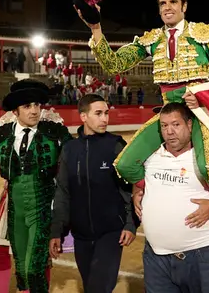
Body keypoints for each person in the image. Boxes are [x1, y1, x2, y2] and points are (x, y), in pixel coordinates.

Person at [76, 0, 209, 195]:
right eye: (162, 3)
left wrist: (204, 98)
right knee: (125, 164)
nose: (168, 7)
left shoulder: (203, 34)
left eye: (173, 2)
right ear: (159, 9)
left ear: (184, 6)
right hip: (168, 111)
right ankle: (160, 195)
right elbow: (115, 64)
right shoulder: (151, 40)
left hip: (200, 112)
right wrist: (96, 29)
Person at [0, 79, 72, 293]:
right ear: (15, 111)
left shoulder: (55, 132)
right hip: (14, 205)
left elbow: (73, 165)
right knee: (22, 268)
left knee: (35, 266)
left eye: (37, 105)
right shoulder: (2, 135)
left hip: (44, 203)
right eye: (27, 106)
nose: (34, 111)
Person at [134, 102, 209, 293]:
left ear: (189, 125)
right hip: (156, 257)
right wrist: (136, 191)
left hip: (203, 254)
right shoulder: (150, 155)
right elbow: (140, 179)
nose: (169, 131)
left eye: (176, 124)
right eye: (164, 126)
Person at [50, 94, 138, 292]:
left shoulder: (116, 146)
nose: (105, 119)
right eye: (98, 113)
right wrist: (57, 231)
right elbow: (63, 192)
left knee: (98, 288)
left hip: (111, 232)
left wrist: (131, 223)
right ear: (83, 116)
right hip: (80, 235)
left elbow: (129, 189)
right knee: (90, 287)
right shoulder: (69, 150)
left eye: (106, 113)